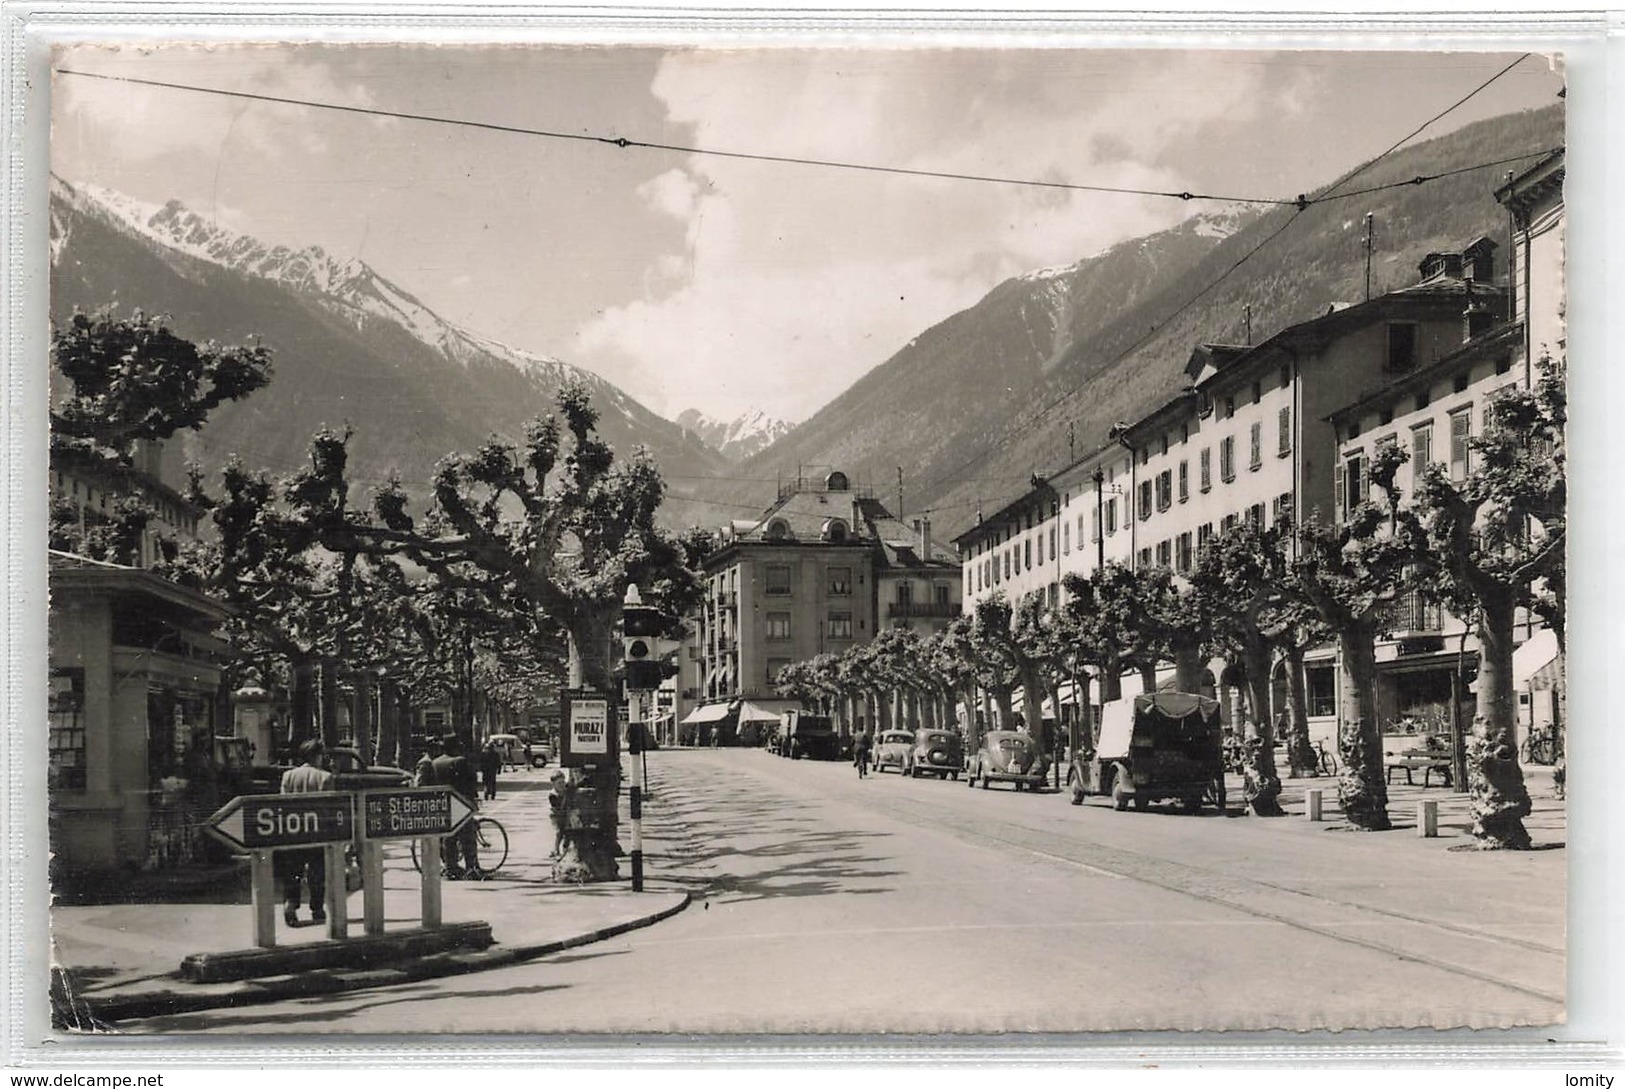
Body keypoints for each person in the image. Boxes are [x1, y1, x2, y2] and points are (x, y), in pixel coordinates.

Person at [278, 738, 336, 927]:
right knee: (317, 872)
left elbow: (283, 804)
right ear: (317, 756)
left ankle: (290, 904)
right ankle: (317, 909)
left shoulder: (288, 776)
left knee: (293, 871)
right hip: (316, 832)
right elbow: (329, 808)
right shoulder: (325, 777)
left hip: (293, 832)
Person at [431, 733, 481, 877]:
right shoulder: (460, 761)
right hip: (461, 802)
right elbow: (470, 781)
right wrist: (473, 800)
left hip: (444, 803)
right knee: (467, 837)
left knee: (449, 837)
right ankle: (471, 867)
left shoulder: (436, 762)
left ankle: (451, 867)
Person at [547, 770, 573, 859]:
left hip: (565, 814)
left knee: (567, 832)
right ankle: (555, 849)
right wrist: (565, 796)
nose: (562, 785)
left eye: (563, 782)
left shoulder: (566, 789)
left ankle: (565, 849)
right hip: (556, 815)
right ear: (554, 784)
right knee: (559, 832)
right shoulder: (553, 795)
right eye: (559, 783)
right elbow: (559, 807)